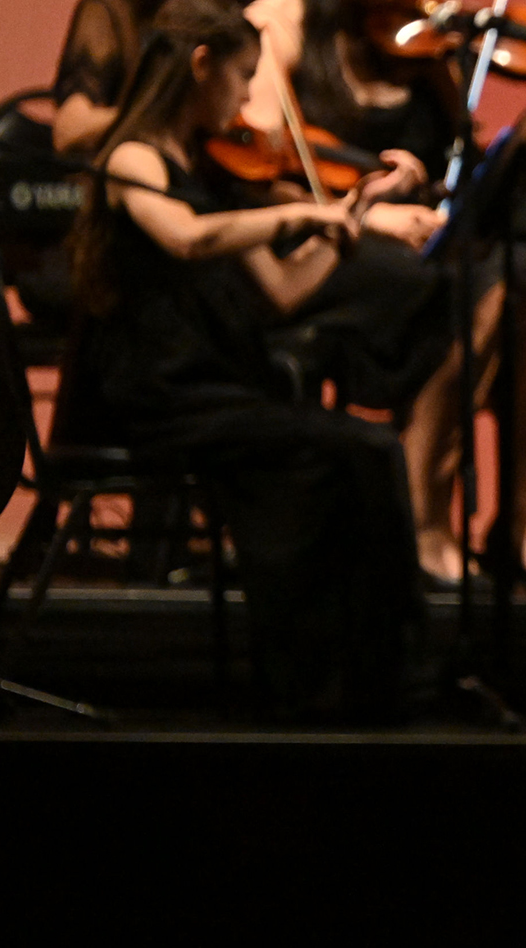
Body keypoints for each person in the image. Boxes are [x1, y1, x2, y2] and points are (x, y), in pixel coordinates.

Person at [70, 0, 427, 720]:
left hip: (215, 387)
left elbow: (284, 289)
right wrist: (293, 212)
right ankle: (309, 681)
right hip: (154, 394)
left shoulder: (209, 168)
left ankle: (376, 678)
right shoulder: (133, 158)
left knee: (369, 449)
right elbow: (187, 238)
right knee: (331, 453)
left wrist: (352, 214)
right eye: (241, 77)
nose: (244, 101)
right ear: (201, 67)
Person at [244, 0, 526, 592]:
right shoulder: (291, 27)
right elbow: (259, 167)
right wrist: (368, 215)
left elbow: (474, 178)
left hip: (420, 243)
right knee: (467, 288)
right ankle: (425, 512)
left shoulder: (426, 53)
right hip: (331, 244)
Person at [53, 0, 169, 155]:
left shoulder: (186, 16)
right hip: (114, 160)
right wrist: (147, 119)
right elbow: (69, 130)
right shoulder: (106, 10)